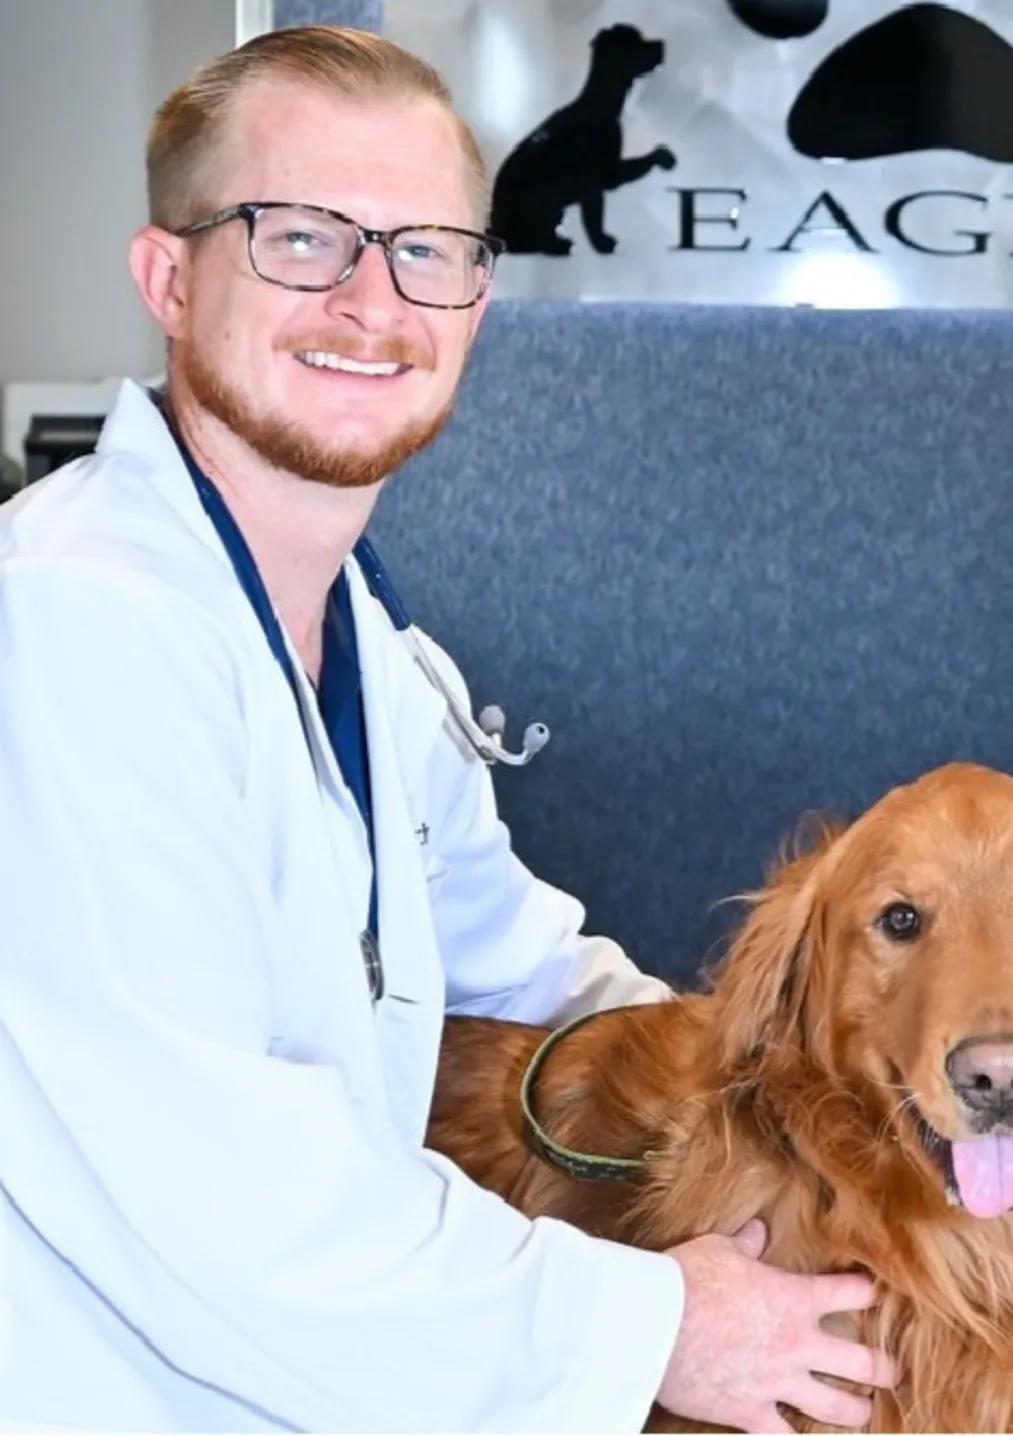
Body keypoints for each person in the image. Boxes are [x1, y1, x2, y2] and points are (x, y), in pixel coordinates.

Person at [0, 25, 894, 1433]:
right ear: (170, 278)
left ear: (476, 298)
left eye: (425, 248)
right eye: (302, 237)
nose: (373, 301)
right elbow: (226, 1205)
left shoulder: (363, 646)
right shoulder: (69, 633)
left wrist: (797, 1094)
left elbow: (525, 972)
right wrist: (654, 1325)